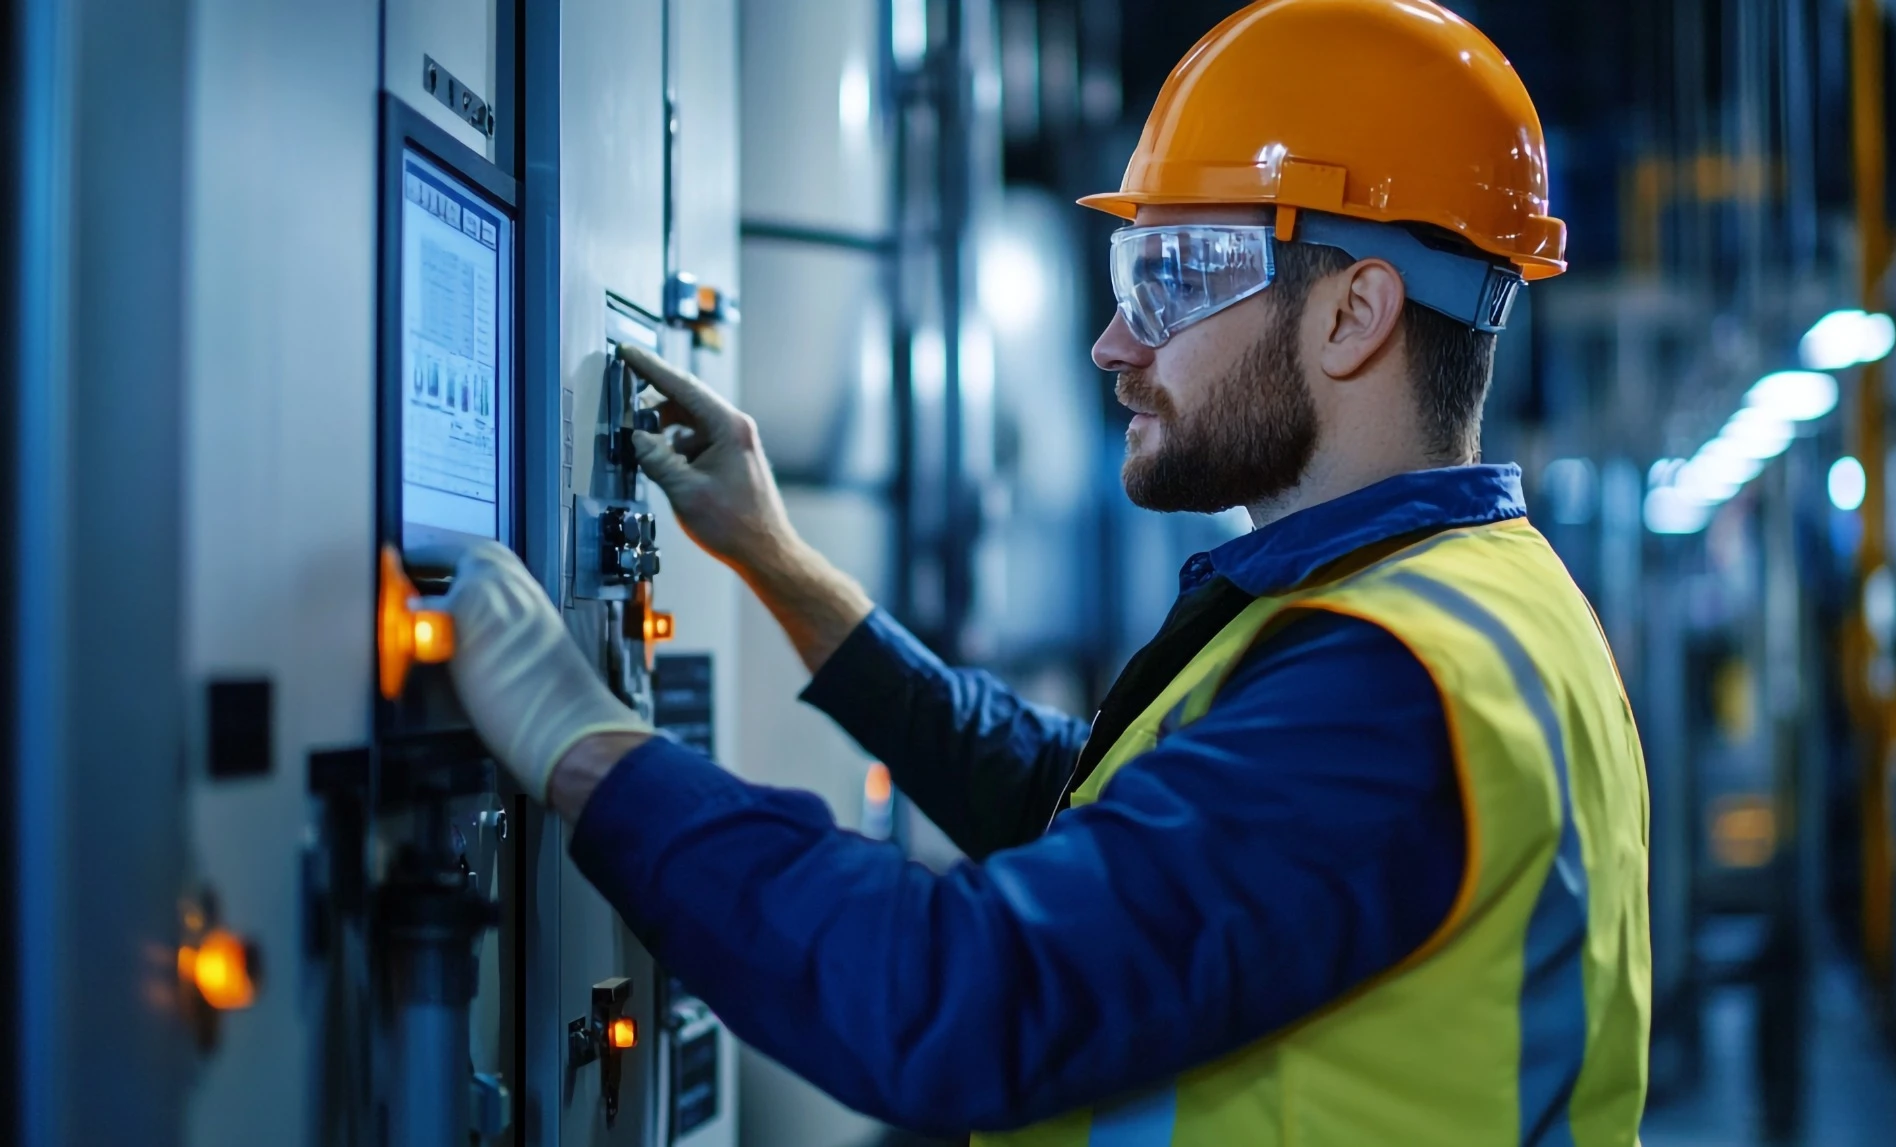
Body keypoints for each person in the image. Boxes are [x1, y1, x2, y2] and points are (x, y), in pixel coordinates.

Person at [444, 0, 1651, 1141]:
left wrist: (585, 751)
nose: (1113, 343)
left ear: (1352, 315)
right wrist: (778, 559)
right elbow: (1083, 808)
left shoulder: (1390, 689)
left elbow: (962, 994)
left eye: (1170, 282)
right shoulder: (1445, 605)